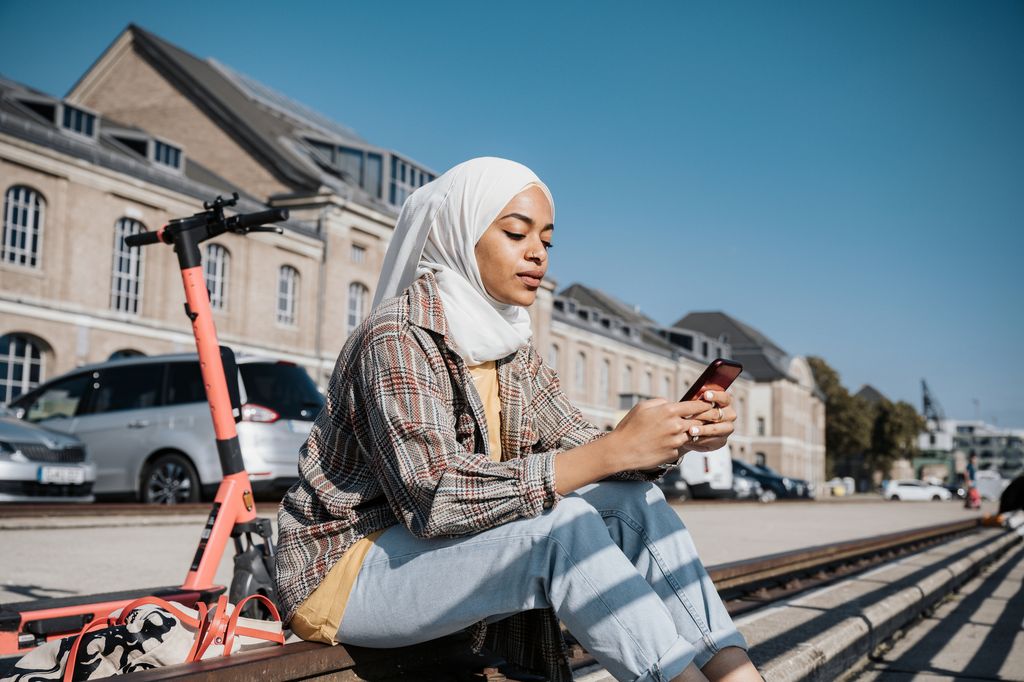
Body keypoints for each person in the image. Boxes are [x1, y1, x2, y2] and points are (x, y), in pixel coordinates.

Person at [275, 157, 760, 682]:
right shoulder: (396, 336)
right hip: (345, 571)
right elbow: (435, 496)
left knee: (631, 502)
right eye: (515, 232)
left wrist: (679, 436)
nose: (537, 253)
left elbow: (583, 444)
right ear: (459, 233)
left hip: (437, 557)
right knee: (561, 529)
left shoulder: (510, 347)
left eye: (547, 241)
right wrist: (613, 449)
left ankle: (739, 676)